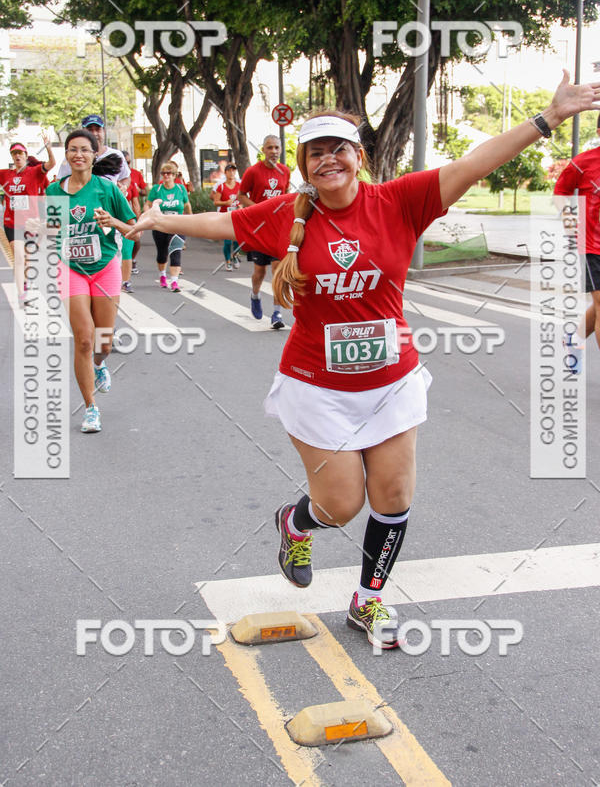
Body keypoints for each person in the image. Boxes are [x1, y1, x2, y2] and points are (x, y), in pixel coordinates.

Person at [127, 71, 599, 647]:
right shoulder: (288, 217)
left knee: (394, 497)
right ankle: (295, 522)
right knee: (341, 503)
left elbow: (475, 164)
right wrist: (158, 220)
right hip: (316, 386)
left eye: (339, 150)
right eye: (316, 153)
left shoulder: (400, 202)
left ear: (359, 156)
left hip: (392, 381)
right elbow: (223, 223)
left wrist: (547, 118)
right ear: (305, 166)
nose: (329, 161)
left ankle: (369, 600)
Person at [45, 129, 136, 433]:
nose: (78, 155)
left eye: (84, 149)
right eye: (72, 150)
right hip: (71, 269)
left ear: (95, 154)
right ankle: (91, 408)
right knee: (84, 339)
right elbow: (51, 230)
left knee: (104, 342)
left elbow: (133, 228)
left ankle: (100, 364)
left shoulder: (107, 189)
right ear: (66, 155)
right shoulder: (54, 192)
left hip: (104, 267)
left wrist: (112, 222)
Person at [553, 113, 600, 373]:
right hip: (593, 247)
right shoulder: (583, 163)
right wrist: (567, 215)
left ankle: (574, 339)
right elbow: (560, 191)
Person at [239, 135, 290, 328]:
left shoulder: (285, 171)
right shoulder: (253, 172)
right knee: (259, 272)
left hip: (278, 229)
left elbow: (285, 196)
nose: (274, 152)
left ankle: (277, 313)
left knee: (278, 271)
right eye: (270, 148)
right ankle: (255, 295)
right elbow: (241, 196)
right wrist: (260, 210)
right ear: (263, 150)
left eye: (277, 148)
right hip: (259, 230)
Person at [0, 134, 56, 305]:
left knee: (27, 259)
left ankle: (24, 283)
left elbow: (51, 164)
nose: (17, 156)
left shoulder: (35, 172)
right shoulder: (5, 175)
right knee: (18, 257)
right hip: (11, 222)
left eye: (20, 153)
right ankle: (21, 294)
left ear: (25, 155)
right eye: (14, 154)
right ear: (12, 157)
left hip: (31, 223)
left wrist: (48, 148)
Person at [145, 160, 192, 292]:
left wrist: (191, 219)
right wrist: (147, 215)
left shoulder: (180, 189)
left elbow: (187, 205)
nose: (166, 176)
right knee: (162, 254)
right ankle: (162, 276)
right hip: (160, 225)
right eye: (163, 173)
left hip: (178, 224)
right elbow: (148, 204)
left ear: (174, 175)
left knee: (176, 252)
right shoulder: (156, 189)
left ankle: (175, 281)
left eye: (169, 173)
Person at [57, 115, 130, 192]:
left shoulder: (116, 155)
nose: (94, 133)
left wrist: (123, 188)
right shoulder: (74, 158)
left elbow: (126, 177)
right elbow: (59, 184)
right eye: (90, 130)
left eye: (98, 129)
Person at [211, 162, 241, 270]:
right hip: (224, 216)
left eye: (233, 171)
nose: (232, 173)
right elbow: (215, 202)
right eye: (229, 171)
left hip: (236, 216)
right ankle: (228, 260)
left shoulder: (239, 185)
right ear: (226, 173)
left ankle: (235, 255)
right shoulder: (221, 186)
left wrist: (241, 206)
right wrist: (225, 203)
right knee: (228, 241)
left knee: (238, 239)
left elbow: (243, 199)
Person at [123, 150, 146, 274]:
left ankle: (132, 261)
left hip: (127, 217)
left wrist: (139, 222)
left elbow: (136, 203)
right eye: (123, 162)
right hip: (110, 218)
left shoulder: (132, 178)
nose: (126, 165)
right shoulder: (107, 180)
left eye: (128, 162)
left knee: (134, 241)